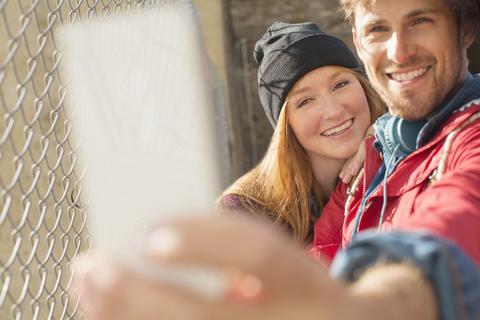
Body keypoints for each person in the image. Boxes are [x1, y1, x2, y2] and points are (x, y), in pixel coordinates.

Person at [70, 0, 480, 318]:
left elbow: (456, 226)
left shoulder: (455, 139)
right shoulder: (377, 155)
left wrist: (357, 308)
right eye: (378, 28)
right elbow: (323, 258)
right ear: (359, 40)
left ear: (465, 27)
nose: (400, 49)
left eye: (420, 20)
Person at [219, 21, 384, 247]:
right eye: (305, 101)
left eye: (340, 84)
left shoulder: (399, 152)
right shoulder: (248, 212)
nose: (334, 111)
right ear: (285, 125)